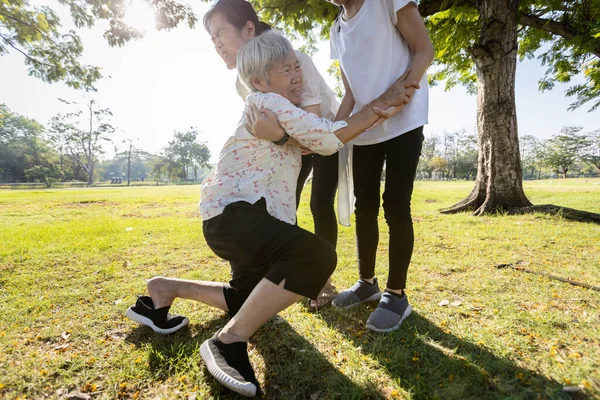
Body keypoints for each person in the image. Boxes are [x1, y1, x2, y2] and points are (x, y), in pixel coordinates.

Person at [125, 32, 412, 397]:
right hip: (237, 215)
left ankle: (166, 289)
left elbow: (310, 143)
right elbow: (326, 138)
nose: (297, 76)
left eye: (297, 67)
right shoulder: (269, 104)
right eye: (285, 70)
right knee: (317, 254)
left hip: (228, 220)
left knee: (250, 298)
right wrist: (380, 105)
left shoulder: (271, 109)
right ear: (260, 81)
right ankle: (228, 341)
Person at [204, 0, 342, 309]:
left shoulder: (293, 61)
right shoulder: (244, 80)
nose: (216, 44)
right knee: (271, 206)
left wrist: (278, 136)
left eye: (220, 34)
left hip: (325, 134)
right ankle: (260, 277)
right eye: (211, 38)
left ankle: (322, 283)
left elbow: (313, 135)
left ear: (248, 29)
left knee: (319, 205)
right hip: (288, 145)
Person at [326, 0, 435, 333]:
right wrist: (328, 132)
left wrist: (401, 92)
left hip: (404, 122)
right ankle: (367, 283)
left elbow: (424, 50)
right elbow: (350, 93)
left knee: (396, 206)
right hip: (365, 129)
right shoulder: (337, 29)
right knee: (365, 208)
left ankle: (397, 294)